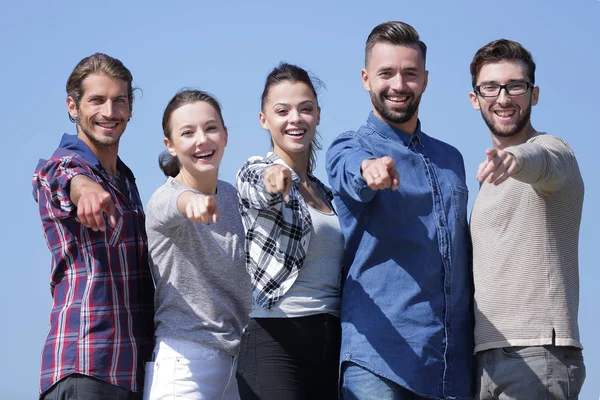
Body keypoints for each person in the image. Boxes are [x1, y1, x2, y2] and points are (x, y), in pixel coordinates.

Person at [326, 21, 473, 399]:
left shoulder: (451, 159)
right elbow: (349, 169)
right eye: (386, 73)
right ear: (365, 78)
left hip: (450, 368)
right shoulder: (351, 145)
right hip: (378, 364)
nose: (398, 85)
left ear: (424, 80)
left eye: (410, 74)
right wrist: (369, 170)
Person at [468, 39, 586, 399]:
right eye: (491, 87)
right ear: (475, 98)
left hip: (538, 353)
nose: (503, 98)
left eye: (515, 86)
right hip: (484, 357)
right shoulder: (489, 179)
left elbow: (543, 161)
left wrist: (516, 160)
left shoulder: (553, 151)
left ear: (533, 95)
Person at [32, 53, 155, 400]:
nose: (109, 112)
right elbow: (59, 176)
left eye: (119, 101)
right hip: (87, 365)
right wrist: (84, 188)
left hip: (132, 371)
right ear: (73, 106)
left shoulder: (126, 182)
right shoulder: (63, 165)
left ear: (130, 109)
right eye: (96, 100)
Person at [235, 63, 343, 399]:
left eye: (305, 109)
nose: (294, 119)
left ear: (318, 116)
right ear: (264, 119)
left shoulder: (328, 194)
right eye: (282, 111)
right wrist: (272, 179)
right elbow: (256, 183)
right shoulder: (256, 170)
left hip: (331, 342)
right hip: (275, 338)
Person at [143, 90, 251, 399]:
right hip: (186, 360)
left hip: (239, 363)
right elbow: (173, 203)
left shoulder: (237, 198)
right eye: (187, 133)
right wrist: (192, 202)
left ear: (225, 135)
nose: (202, 139)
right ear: (171, 146)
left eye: (211, 128)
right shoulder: (165, 197)